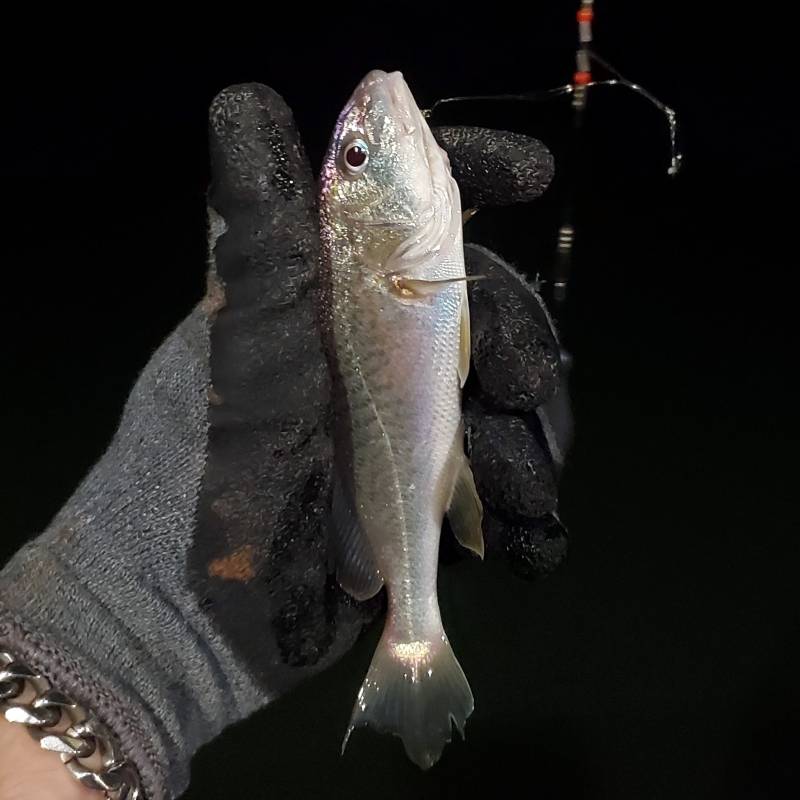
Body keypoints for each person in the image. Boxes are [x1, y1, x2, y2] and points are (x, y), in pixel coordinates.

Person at [0, 82, 570, 800]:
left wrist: (118, 641)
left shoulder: (406, 264)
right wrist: (129, 622)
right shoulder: (399, 267)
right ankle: (413, 630)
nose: (380, 99)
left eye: (354, 157)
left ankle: (410, 614)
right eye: (361, 158)